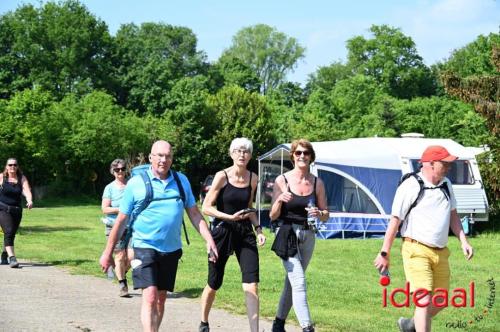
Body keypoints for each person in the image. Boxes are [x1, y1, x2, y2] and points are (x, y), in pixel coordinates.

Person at [100, 140, 218, 332]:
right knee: (151, 296)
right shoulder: (135, 184)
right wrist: (107, 253)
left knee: (161, 299)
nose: (164, 160)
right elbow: (121, 220)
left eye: (168, 156)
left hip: (171, 249)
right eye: (160, 156)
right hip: (143, 246)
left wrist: (209, 239)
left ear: (172, 158)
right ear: (151, 158)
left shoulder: (181, 181)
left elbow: (195, 214)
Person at [373, 145, 474, 332]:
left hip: (441, 252)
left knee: (441, 300)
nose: (449, 166)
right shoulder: (411, 186)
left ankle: (410, 324)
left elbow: (453, 215)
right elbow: (395, 221)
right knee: (424, 300)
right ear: (431, 164)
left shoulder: (446, 184)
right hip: (416, 250)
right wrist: (384, 253)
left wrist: (463, 241)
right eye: (445, 163)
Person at [199, 137, 266, 332]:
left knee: (251, 284)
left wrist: (259, 229)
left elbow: (249, 207)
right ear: (231, 154)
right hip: (222, 231)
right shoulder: (222, 176)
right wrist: (229, 217)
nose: (242, 154)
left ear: (250, 155)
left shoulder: (253, 178)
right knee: (214, 283)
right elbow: (206, 207)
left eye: (246, 151)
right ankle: (204, 321)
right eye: (238, 150)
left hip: (245, 233)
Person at [269, 139, 329, 332]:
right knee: (299, 282)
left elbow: (326, 215)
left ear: (311, 157)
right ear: (292, 156)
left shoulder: (317, 182)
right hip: (286, 234)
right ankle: (307, 327)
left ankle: (278, 324)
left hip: (308, 234)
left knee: (292, 282)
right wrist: (279, 199)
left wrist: (320, 214)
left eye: (306, 153)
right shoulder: (282, 180)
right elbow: (272, 215)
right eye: (298, 153)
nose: (302, 156)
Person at [101, 158, 132, 297]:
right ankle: (122, 285)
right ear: (112, 171)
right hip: (114, 226)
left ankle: (118, 271)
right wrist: (121, 209)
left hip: (132, 226)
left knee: (132, 256)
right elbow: (105, 209)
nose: (120, 172)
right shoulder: (109, 188)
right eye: (117, 170)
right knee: (119, 256)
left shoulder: (132, 185)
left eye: (122, 169)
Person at [0, 158, 33, 268]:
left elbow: (27, 190)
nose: (12, 167)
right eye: (10, 165)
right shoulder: (2, 177)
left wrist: (29, 200)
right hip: (3, 209)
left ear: (17, 166)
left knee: (11, 234)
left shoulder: (21, 178)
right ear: (6, 166)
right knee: (8, 231)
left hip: (17, 210)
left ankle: (4, 255)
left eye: (14, 165)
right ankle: (12, 258)